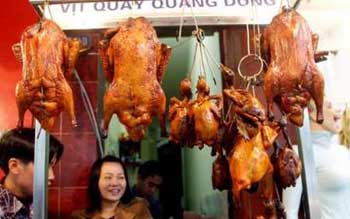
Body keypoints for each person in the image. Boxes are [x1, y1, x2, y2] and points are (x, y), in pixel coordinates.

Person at [283, 99, 350, 219]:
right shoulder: (299, 153)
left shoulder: (343, 152)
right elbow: (289, 213)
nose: (338, 111)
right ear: (312, 113)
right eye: (330, 107)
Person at [0, 127, 64, 219]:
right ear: (14, 166)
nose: (52, 176)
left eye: (52, 166)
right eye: (43, 166)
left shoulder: (36, 202)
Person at [72, 155, 152, 219]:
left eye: (120, 177)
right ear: (96, 182)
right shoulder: (80, 216)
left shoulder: (139, 208)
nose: (115, 183)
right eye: (108, 177)